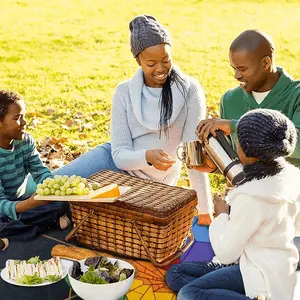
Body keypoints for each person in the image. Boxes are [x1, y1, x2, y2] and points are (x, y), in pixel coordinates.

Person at [54, 15, 213, 225]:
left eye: (166, 60)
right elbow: (119, 155)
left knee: (66, 205)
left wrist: (205, 211)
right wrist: (147, 156)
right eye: (151, 63)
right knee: (49, 189)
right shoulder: (124, 92)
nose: (160, 69)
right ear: (138, 60)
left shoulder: (190, 90)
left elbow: (193, 156)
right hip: (112, 163)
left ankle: (68, 214)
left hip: (149, 186)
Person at [166, 108, 300, 300]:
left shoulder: (251, 197)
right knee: (176, 274)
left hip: (260, 277)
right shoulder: (290, 178)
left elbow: (226, 252)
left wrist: (222, 215)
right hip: (274, 267)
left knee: (189, 293)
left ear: (245, 150)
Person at [0, 90, 70, 241]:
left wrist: (53, 189)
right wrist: (29, 204)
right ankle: (44, 225)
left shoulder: (25, 141)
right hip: (4, 207)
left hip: (21, 201)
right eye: (17, 118)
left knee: (63, 203)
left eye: (24, 116)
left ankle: (19, 230)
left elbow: (40, 172)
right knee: (2, 222)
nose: (24, 122)